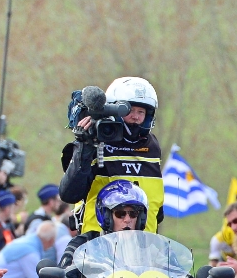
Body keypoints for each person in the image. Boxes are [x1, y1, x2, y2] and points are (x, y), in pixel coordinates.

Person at [60, 76, 165, 235]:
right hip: (97, 250)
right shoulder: (95, 140)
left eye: (141, 112)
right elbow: (69, 194)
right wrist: (85, 146)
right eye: (129, 110)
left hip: (144, 251)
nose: (135, 117)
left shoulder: (153, 148)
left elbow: (157, 210)